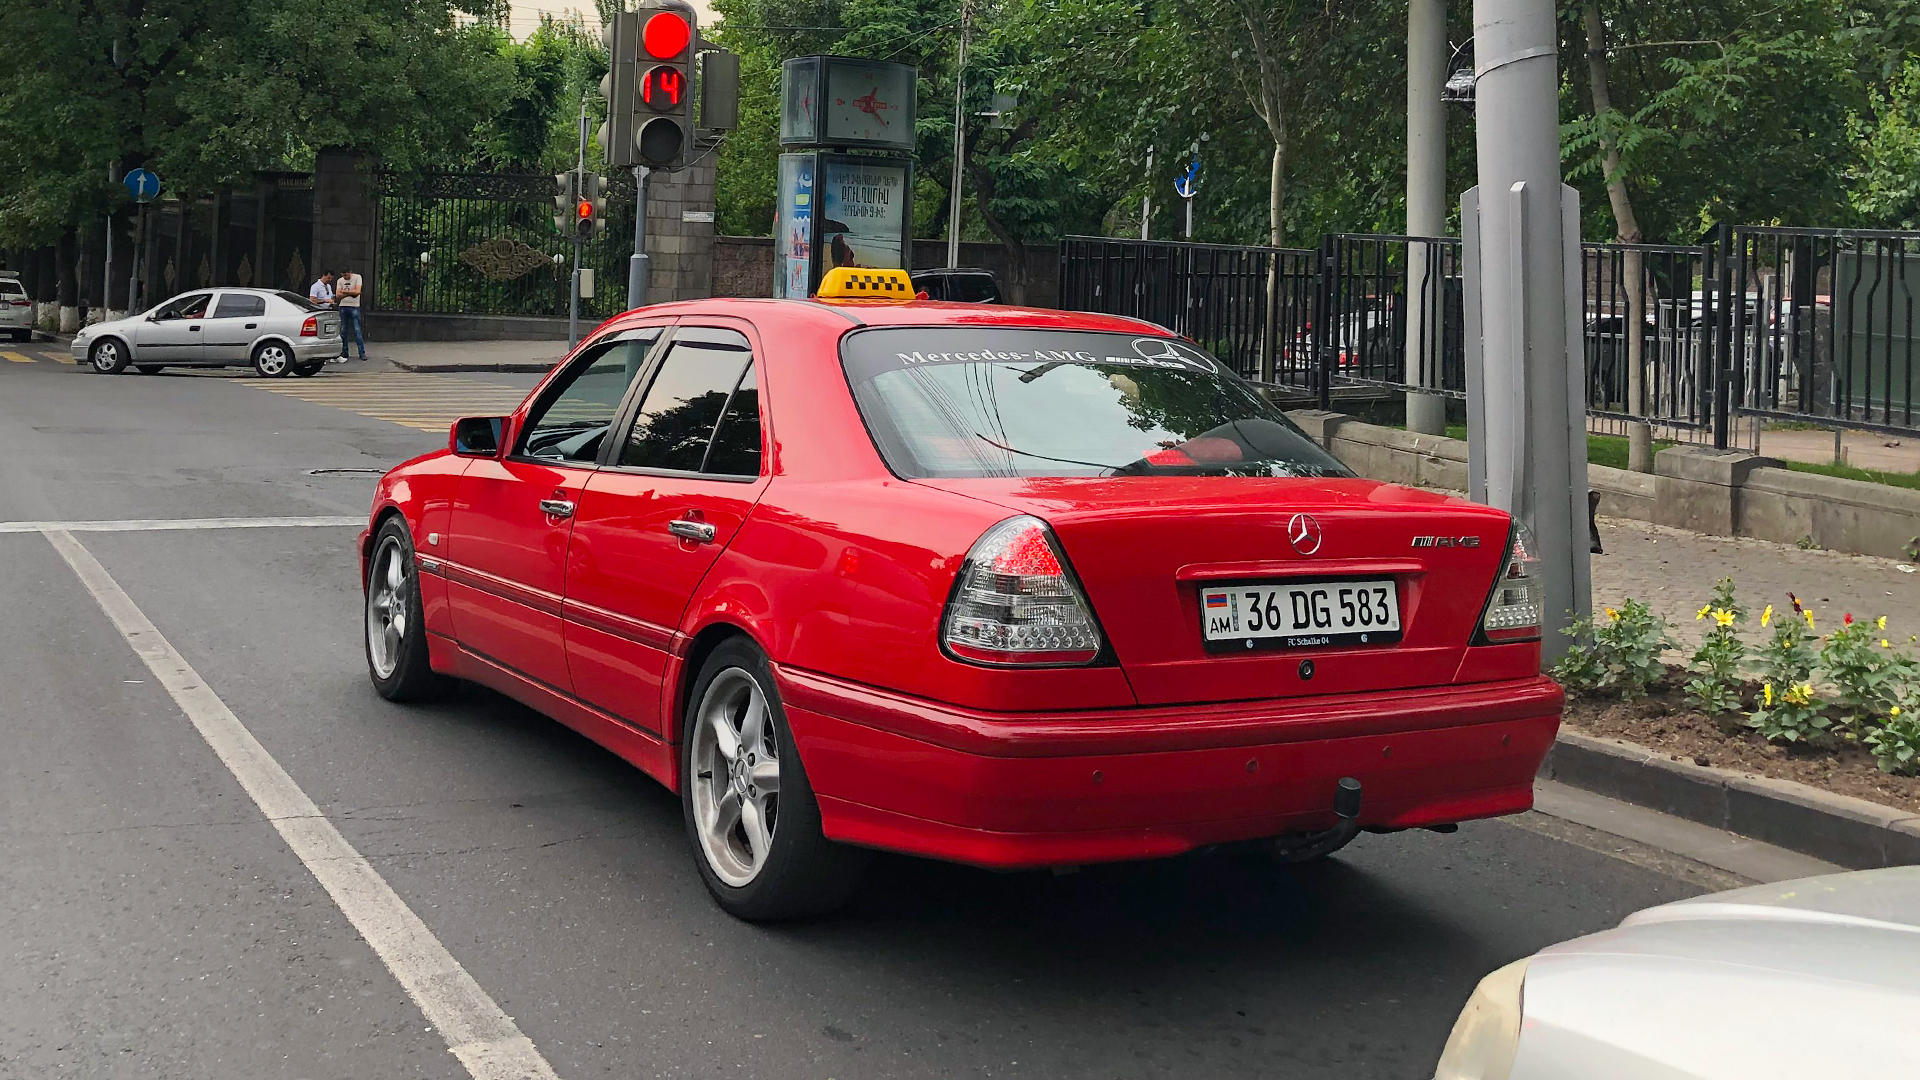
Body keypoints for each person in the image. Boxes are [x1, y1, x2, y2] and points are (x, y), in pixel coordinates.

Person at [334, 267, 366, 363]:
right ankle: (344, 352)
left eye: (346, 275)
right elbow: (337, 295)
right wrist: (351, 293)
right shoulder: (340, 280)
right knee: (343, 330)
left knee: (357, 330)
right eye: (343, 275)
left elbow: (357, 292)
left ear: (350, 272)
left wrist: (344, 292)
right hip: (343, 306)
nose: (345, 277)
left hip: (354, 306)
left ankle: (362, 352)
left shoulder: (357, 277)